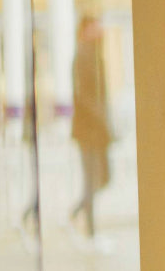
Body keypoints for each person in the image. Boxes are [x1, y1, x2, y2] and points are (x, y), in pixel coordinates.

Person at [70, 16, 111, 240]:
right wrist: (101, 119)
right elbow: (84, 96)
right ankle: (90, 232)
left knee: (103, 179)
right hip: (88, 130)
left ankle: (75, 213)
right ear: (86, 28)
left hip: (99, 130)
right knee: (91, 180)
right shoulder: (81, 57)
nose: (100, 28)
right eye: (96, 24)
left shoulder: (96, 55)